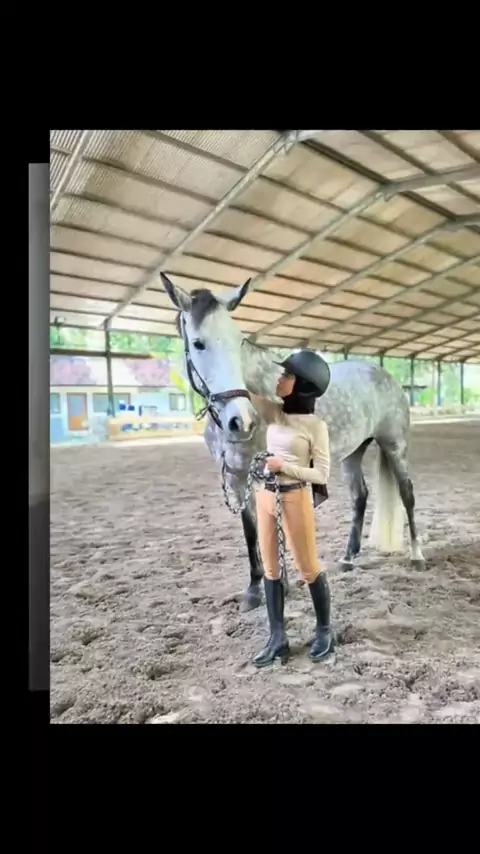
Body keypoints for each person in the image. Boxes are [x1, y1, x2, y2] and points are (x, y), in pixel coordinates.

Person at [249, 349, 332, 669]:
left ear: (304, 385)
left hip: (295, 498)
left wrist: (284, 466)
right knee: (270, 568)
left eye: (287, 375)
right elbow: (240, 393)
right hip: (265, 497)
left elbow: (321, 474)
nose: (280, 379)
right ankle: (277, 637)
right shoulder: (276, 413)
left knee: (308, 566)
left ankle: (324, 630)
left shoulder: (315, 426)